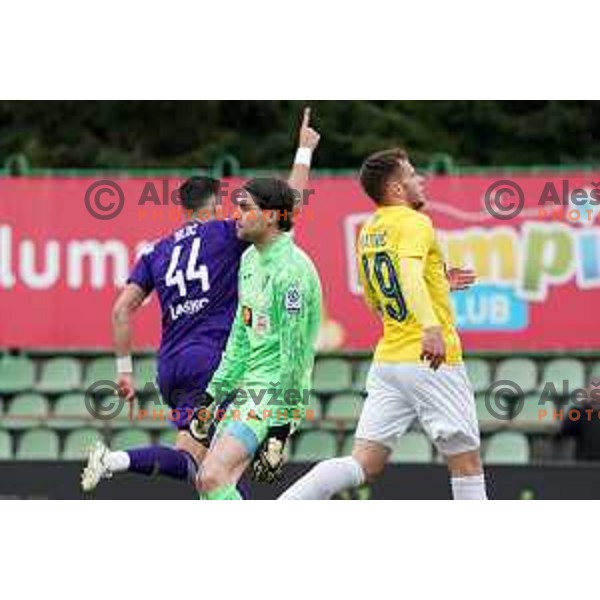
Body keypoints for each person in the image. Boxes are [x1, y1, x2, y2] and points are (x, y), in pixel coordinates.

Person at [81, 108, 320, 492]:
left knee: (197, 464)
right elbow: (288, 208)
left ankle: (114, 459)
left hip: (171, 367)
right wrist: (304, 152)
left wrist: (125, 370)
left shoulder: (156, 251)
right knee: (221, 468)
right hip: (213, 357)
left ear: (184, 207)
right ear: (213, 206)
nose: (236, 213)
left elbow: (121, 309)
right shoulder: (226, 234)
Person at [280, 148, 487, 500]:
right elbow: (406, 273)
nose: (420, 179)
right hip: (430, 360)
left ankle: (288, 504)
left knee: (363, 462)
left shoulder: (370, 229)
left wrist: (436, 281)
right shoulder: (415, 222)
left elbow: (373, 295)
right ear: (395, 189)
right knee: (466, 464)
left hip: (390, 361)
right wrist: (430, 327)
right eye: (411, 174)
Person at [195, 177, 323, 500]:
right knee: (208, 483)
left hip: (273, 395)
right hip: (249, 390)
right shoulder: (249, 260)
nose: (235, 215)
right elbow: (241, 334)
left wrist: (280, 430)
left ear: (271, 216)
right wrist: (212, 396)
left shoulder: (291, 271)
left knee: (212, 476)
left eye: (244, 207)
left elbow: (294, 359)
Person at [556, 380, 600, 461]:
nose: (596, 395)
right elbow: (565, 431)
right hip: (584, 463)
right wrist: (584, 405)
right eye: (593, 392)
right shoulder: (578, 412)